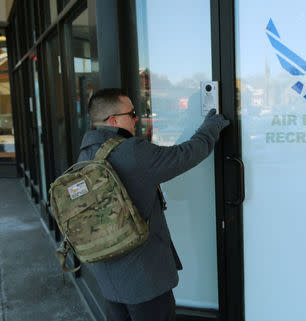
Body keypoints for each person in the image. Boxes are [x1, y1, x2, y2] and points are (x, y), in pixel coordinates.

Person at [77, 88, 229, 321]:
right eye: (133, 113)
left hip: (108, 277)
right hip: (144, 278)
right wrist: (211, 127)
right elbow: (185, 154)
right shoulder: (130, 151)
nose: (137, 119)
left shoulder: (86, 154)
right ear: (113, 120)